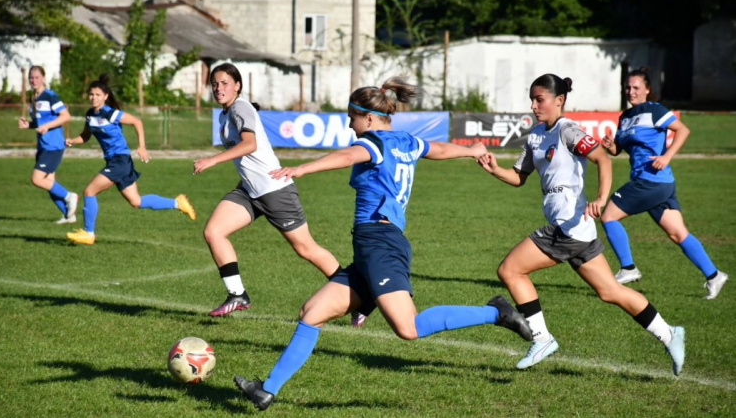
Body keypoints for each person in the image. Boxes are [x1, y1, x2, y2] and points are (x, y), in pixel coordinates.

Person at [233, 77, 533, 411]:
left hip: (381, 243)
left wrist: (303, 168)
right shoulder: (407, 141)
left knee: (408, 328)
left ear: (370, 118)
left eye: (352, 117)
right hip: (370, 248)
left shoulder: (373, 142)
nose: (350, 123)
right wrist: (471, 150)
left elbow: (348, 157)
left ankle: (497, 313)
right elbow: (442, 149)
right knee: (312, 312)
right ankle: (267, 390)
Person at [476, 73, 685, 374]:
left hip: (568, 229)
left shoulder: (568, 131)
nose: (534, 105)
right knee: (610, 292)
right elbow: (519, 178)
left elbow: (604, 160)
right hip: (579, 231)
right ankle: (669, 334)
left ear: (559, 100)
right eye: (532, 99)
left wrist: (600, 198)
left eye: (540, 99)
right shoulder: (535, 136)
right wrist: (495, 170)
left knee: (510, 270)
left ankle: (542, 338)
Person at [192, 63, 355, 321]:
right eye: (214, 83)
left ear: (237, 86)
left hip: (274, 189)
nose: (218, 88)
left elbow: (250, 144)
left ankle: (355, 296)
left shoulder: (240, 107)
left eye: (224, 83)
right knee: (214, 231)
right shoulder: (226, 114)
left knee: (306, 248)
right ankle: (237, 295)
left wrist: (214, 160)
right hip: (249, 190)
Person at [601, 67, 728, 299]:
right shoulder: (625, 117)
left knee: (608, 216)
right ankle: (714, 275)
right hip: (656, 184)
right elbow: (619, 150)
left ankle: (628, 268)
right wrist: (610, 145)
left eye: (636, 88)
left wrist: (667, 156)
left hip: (652, 182)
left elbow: (682, 130)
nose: (631, 91)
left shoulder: (654, 110)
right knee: (678, 234)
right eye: (628, 87)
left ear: (647, 90)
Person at [64, 75, 196, 245]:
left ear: (106, 96)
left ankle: (89, 233)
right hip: (116, 162)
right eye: (91, 94)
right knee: (136, 202)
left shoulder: (111, 113)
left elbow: (137, 122)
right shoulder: (90, 115)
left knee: (89, 191)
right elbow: (86, 136)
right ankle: (178, 203)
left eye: (97, 94)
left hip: (120, 161)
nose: (93, 98)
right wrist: (73, 141)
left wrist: (141, 147)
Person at [18, 65, 79, 224]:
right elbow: (41, 122)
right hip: (43, 146)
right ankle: (69, 215)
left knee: (37, 179)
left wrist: (47, 127)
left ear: (44, 78)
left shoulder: (50, 96)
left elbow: (66, 116)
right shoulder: (35, 98)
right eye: (31, 77)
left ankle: (69, 196)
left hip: (54, 146)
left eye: (37, 77)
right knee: (49, 183)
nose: (34, 80)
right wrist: (29, 125)